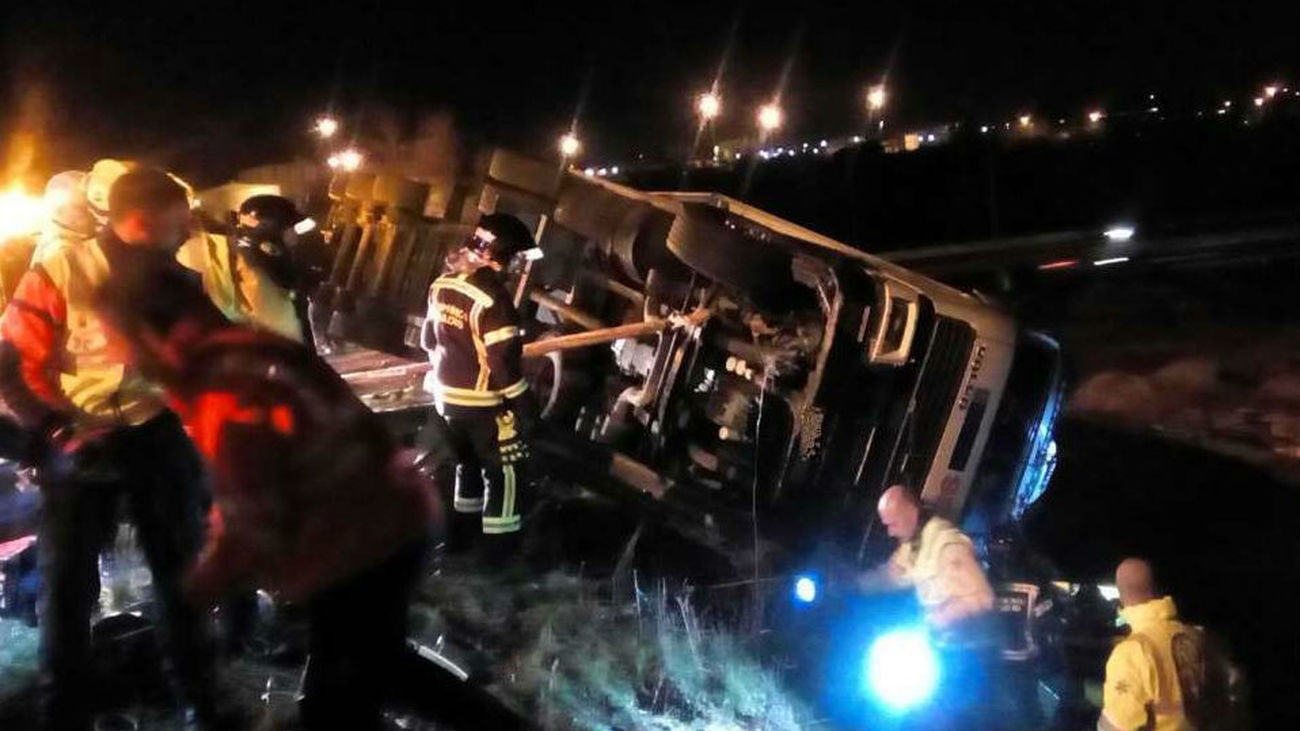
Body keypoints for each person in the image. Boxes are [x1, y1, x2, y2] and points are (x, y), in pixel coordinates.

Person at [92, 245, 442, 731]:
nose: (113, 353)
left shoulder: (225, 385)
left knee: (337, 708)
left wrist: (195, 591)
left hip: (360, 543)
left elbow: (252, 519)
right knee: (377, 672)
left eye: (113, 336)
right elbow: (254, 482)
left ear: (149, 331)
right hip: (384, 519)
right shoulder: (239, 352)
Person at [0, 169, 233, 730]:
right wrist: (54, 432)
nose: (187, 230)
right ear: (142, 220)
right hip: (78, 439)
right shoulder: (60, 270)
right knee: (67, 585)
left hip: (155, 436)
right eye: (179, 219)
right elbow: (10, 366)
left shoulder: (179, 281)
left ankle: (197, 697)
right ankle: (64, 709)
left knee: (181, 571)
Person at [420, 213, 540, 557]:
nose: (518, 265)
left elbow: (429, 339)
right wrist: (525, 407)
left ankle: (458, 542)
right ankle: (497, 557)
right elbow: (503, 367)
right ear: (498, 254)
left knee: (466, 467)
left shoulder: (441, 284)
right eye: (516, 257)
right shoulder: (494, 300)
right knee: (506, 474)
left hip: (446, 402)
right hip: (483, 404)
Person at [1099, 558, 1246, 731]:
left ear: (1122, 596)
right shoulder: (1201, 637)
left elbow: (1115, 727)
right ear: (1157, 588)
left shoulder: (1131, 653)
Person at [177, 194, 326, 345]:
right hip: (278, 326)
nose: (241, 224)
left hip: (274, 325)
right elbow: (287, 279)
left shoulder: (253, 244)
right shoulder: (260, 245)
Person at [858, 485, 995, 630]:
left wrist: (941, 618)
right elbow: (890, 576)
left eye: (893, 524)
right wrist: (853, 584)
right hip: (932, 638)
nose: (890, 533)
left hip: (957, 640)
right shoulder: (911, 545)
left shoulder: (946, 545)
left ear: (910, 511)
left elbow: (981, 599)